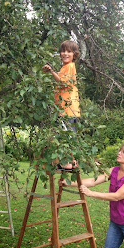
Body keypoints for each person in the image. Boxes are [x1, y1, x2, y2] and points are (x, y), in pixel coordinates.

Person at [59, 143, 124, 248]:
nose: (119, 153)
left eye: (123, 152)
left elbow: (117, 196)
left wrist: (91, 193)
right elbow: (92, 181)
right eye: (119, 151)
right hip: (116, 220)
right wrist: (68, 183)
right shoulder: (113, 171)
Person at [42, 40, 81, 169]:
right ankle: (70, 161)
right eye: (63, 51)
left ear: (74, 54)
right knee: (65, 135)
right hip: (64, 109)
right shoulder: (65, 67)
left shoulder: (70, 66)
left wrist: (52, 71)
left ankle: (69, 162)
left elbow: (63, 83)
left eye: (69, 51)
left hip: (68, 109)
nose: (65, 53)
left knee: (67, 136)